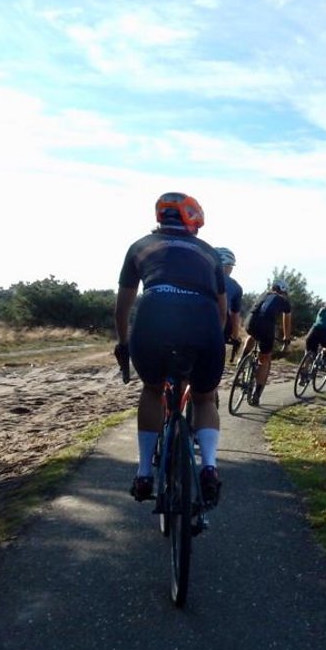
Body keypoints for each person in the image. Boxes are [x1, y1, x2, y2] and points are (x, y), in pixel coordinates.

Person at [114, 191, 227, 507]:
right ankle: (209, 468)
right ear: (193, 222)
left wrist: (124, 343)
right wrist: (210, 343)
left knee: (152, 391)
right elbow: (221, 311)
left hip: (152, 320)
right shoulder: (208, 252)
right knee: (204, 397)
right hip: (203, 324)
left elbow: (122, 309)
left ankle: (143, 473)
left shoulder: (139, 247)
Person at [241, 280, 292, 405]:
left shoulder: (263, 294)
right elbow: (287, 320)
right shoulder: (284, 301)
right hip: (266, 327)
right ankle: (256, 394)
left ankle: (241, 361)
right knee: (265, 359)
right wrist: (286, 337)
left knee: (252, 335)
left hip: (250, 323)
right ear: (284, 291)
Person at [214, 247, 244, 364]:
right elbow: (234, 316)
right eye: (231, 266)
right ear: (227, 266)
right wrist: (235, 337)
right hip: (215, 328)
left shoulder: (197, 275)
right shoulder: (235, 287)